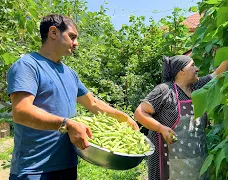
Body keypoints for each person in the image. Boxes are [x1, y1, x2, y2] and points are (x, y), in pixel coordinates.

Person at [7, 14, 138, 180]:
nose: (76, 43)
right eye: (72, 37)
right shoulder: (28, 65)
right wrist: (66, 124)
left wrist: (125, 118)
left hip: (67, 164)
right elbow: (21, 111)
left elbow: (93, 103)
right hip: (34, 168)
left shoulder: (70, 74)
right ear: (53, 32)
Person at [134, 55, 228, 180]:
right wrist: (161, 128)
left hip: (197, 162)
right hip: (167, 162)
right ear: (181, 71)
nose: (196, 69)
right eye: (192, 65)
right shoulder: (165, 91)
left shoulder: (197, 87)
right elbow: (139, 113)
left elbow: (218, 73)